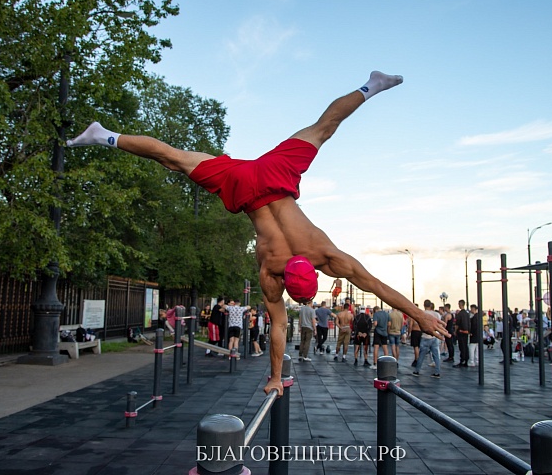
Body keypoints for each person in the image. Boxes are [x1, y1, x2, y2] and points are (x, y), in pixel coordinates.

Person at [67, 70, 447, 395]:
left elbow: (374, 285)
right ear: (305, 278)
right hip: (247, 187)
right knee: (176, 159)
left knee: (324, 127)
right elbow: (283, 325)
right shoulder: (273, 272)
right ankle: (105, 136)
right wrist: (276, 377)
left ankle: (371, 86)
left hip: (272, 175)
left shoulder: (321, 254)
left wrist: (419, 314)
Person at [413, 300, 442, 378]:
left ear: (424, 305)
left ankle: (417, 370)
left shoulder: (423, 313)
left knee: (422, 354)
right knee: (436, 355)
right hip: (435, 336)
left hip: (425, 336)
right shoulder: (437, 314)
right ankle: (437, 372)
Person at [454, 300, 470, 368]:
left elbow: (457, 324)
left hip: (460, 332)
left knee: (461, 347)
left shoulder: (460, 314)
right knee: (465, 346)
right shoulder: (467, 314)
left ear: (460, 304)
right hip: (466, 332)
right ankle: (466, 360)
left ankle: (462, 360)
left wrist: (455, 331)